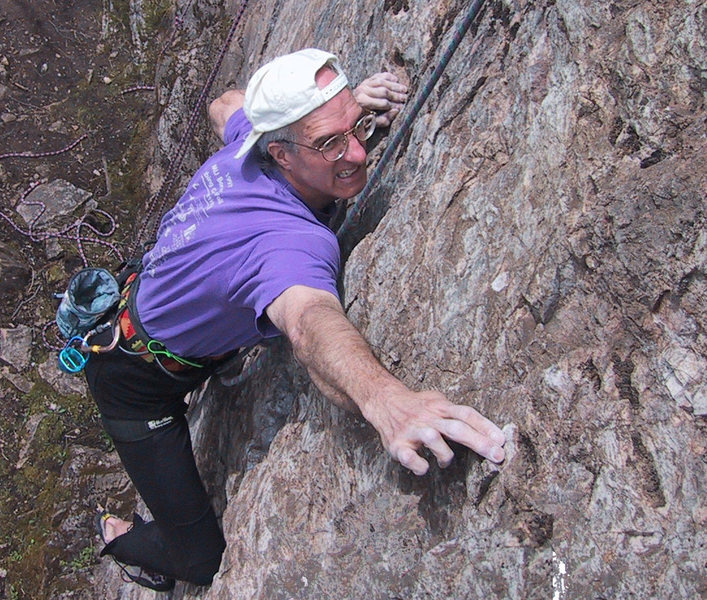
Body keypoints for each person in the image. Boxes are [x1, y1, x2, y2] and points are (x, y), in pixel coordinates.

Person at [87, 48, 506, 591]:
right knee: (198, 564)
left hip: (157, 324)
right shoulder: (290, 243)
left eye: (358, 128)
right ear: (281, 153)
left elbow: (224, 104)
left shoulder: (250, 137)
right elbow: (309, 321)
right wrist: (385, 399)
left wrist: (339, 114)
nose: (357, 151)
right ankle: (119, 537)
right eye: (332, 143)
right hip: (132, 383)